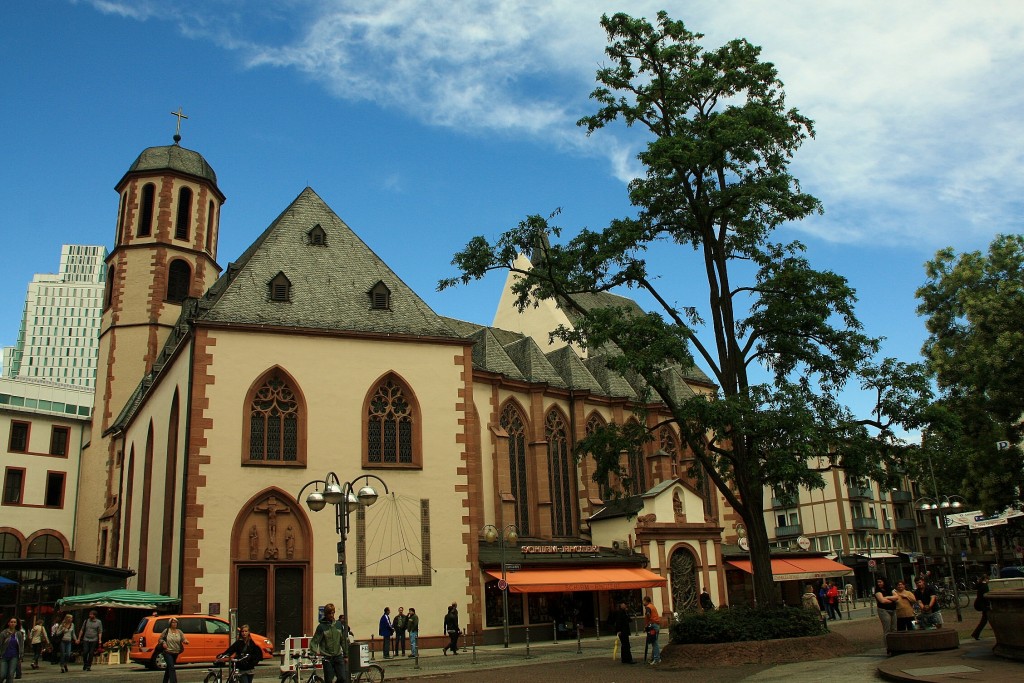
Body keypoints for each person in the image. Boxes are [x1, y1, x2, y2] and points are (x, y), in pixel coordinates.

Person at [311, 603, 348, 683]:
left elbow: (343, 641)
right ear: (325, 614)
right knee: (329, 680)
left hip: (338, 656)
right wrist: (313, 652)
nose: (331, 615)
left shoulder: (338, 625)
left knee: (342, 678)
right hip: (327, 657)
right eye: (329, 613)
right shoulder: (321, 627)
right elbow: (315, 641)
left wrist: (346, 655)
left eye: (333, 613)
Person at [157, 617, 189, 683]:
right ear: (170, 623)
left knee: (169, 668)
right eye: (173, 622)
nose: (174, 624)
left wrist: (185, 641)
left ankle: (165, 681)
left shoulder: (179, 631)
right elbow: (160, 639)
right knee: (171, 667)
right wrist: (163, 642)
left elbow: (183, 639)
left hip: (176, 652)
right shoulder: (166, 631)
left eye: (175, 622)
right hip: (167, 652)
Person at [0, 618, 22, 683]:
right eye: (11, 622)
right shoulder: (3, 633)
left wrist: (21, 656)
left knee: (10, 674)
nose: (13, 623)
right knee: (2, 675)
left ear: (16, 624)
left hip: (14, 656)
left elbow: (21, 645)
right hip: (4, 656)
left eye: (14, 622)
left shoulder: (18, 634)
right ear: (8, 623)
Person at [642, 595, 661, 665]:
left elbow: (648, 614)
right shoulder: (652, 606)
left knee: (654, 643)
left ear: (646, 601)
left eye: (643, 601)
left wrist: (648, 623)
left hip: (653, 625)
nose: (643, 603)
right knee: (654, 642)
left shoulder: (648, 607)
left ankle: (656, 659)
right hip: (656, 624)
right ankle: (655, 657)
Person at [972, 575, 990, 640]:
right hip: (984, 605)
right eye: (988, 579)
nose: (989, 581)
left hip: (980, 604)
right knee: (984, 620)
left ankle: (975, 634)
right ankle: (975, 634)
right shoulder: (985, 586)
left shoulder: (979, 585)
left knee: (984, 620)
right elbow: (986, 596)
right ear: (985, 579)